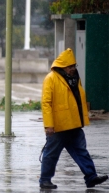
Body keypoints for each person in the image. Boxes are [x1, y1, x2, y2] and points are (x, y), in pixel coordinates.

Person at [39, 48, 108, 189]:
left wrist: (82, 119)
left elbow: (78, 100)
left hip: (74, 124)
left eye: (74, 66)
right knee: (51, 155)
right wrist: (49, 125)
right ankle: (45, 180)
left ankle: (91, 177)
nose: (72, 68)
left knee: (81, 151)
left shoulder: (74, 79)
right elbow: (46, 103)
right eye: (70, 66)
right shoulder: (51, 78)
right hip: (58, 126)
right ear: (62, 66)